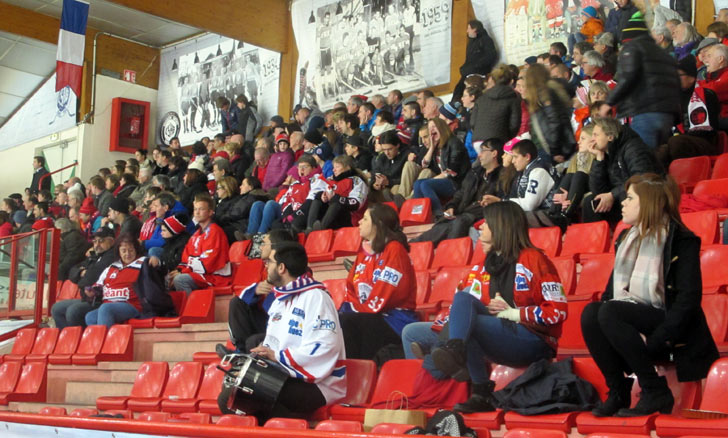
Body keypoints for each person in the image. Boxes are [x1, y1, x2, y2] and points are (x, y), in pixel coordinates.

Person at [581, 173, 718, 417]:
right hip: (633, 323)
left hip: (672, 331)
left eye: (630, 198)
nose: (622, 203)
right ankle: (618, 391)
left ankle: (654, 390)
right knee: (592, 313)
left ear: (650, 203)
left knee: (610, 311)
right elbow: (612, 293)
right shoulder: (625, 237)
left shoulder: (681, 240)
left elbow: (687, 300)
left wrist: (657, 340)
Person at [427, 201, 567, 413]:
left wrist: (513, 313)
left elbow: (558, 311)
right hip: (502, 334)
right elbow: (471, 306)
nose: (480, 227)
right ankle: (459, 355)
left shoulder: (535, 260)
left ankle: (461, 363)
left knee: (465, 327)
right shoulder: (489, 262)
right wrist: (497, 311)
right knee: (463, 301)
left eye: (487, 223)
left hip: (536, 341)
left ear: (501, 226)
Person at [219, 242, 346, 421]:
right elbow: (274, 344)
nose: (266, 266)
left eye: (269, 262)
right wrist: (263, 353)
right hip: (286, 372)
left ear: (281, 267)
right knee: (232, 393)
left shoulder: (316, 297)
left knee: (251, 394)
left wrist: (276, 356)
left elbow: (325, 347)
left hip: (320, 384)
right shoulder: (279, 301)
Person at [340, 204, 417, 360]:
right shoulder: (363, 253)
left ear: (378, 224)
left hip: (395, 320)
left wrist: (355, 310)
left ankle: (358, 375)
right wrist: (350, 308)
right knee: (338, 321)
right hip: (368, 316)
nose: (359, 222)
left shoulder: (395, 250)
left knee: (346, 321)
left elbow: (387, 294)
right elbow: (350, 288)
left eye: (365, 219)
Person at [412, 138, 506, 246]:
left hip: (480, 215)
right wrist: (452, 206)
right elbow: (460, 193)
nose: (479, 155)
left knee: (459, 222)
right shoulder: (475, 173)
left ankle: (449, 254)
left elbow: (502, 201)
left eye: (483, 151)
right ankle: (414, 245)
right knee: (444, 222)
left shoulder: (503, 176)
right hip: (463, 213)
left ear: (494, 153)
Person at [607, 12, 680, 150]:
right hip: (667, 116)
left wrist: (609, 103)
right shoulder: (664, 55)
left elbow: (627, 79)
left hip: (646, 113)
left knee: (644, 158)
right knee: (660, 157)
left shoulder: (635, 51)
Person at [218, 229, 298, 356]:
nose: (260, 247)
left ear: (274, 246)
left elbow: (281, 304)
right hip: (267, 321)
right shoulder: (266, 268)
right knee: (236, 303)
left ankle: (246, 356)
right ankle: (240, 351)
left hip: (284, 326)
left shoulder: (295, 268)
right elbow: (243, 296)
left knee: (253, 341)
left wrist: (274, 290)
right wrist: (255, 290)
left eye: (264, 243)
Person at [582, 117, 661, 224]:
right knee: (591, 201)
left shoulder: (633, 148)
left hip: (649, 196)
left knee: (625, 196)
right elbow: (598, 191)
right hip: (623, 196)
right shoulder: (606, 153)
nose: (592, 139)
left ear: (610, 136)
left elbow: (642, 178)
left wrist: (613, 195)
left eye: (596, 135)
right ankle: (598, 239)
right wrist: (599, 159)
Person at [85, 233, 170, 327]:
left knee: (106, 309)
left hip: (132, 305)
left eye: (131, 250)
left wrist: (158, 262)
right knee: (90, 317)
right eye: (124, 251)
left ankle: (107, 341)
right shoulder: (111, 267)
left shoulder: (143, 262)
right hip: (110, 305)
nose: (128, 254)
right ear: (119, 252)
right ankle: (113, 338)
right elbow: (98, 286)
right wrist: (92, 291)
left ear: (136, 250)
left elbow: (162, 273)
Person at [656, 55, 721, 168]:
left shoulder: (707, 95)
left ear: (691, 77)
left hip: (705, 142)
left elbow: (710, 128)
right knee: (659, 150)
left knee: (676, 142)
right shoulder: (675, 97)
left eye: (678, 75)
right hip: (681, 140)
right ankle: (665, 181)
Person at [53, 227, 116, 328]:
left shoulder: (111, 256)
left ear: (111, 241)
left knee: (73, 311)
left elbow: (89, 279)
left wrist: (81, 278)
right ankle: (66, 340)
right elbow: (72, 270)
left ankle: (81, 340)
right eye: (94, 241)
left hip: (101, 299)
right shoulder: (96, 256)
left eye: (101, 241)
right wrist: (81, 273)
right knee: (56, 308)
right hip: (88, 298)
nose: (97, 245)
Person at [170, 194, 232, 294]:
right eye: (195, 209)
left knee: (180, 280)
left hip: (214, 277)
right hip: (198, 274)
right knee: (167, 279)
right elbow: (186, 258)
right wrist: (179, 270)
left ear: (211, 212)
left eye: (201, 209)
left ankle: (191, 309)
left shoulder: (216, 232)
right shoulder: (195, 235)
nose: (197, 213)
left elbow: (208, 263)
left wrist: (184, 272)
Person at [412, 118, 471, 218]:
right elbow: (424, 165)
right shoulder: (438, 146)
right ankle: (418, 216)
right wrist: (431, 147)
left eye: (434, 127)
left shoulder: (454, 143)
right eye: (430, 128)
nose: (431, 130)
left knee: (425, 184)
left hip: (458, 183)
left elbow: (452, 171)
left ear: (442, 128)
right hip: (447, 180)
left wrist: (433, 179)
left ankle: (439, 215)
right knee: (418, 183)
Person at [300, 155, 368, 232]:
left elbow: (356, 203)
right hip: (331, 217)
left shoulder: (356, 181)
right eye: (333, 167)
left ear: (347, 167)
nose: (333, 170)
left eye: (337, 167)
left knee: (336, 202)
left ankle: (321, 229)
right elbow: (326, 195)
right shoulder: (331, 180)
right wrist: (324, 197)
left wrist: (337, 198)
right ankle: (309, 228)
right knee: (318, 195)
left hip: (350, 218)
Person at [524, 64, 576, 163]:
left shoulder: (544, 93)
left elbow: (555, 121)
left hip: (553, 147)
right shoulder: (548, 90)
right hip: (552, 144)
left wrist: (555, 150)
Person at [470, 64, 522, 144]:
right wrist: (507, 137)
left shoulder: (481, 98)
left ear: (493, 79)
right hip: (499, 140)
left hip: (478, 140)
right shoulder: (513, 97)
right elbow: (514, 124)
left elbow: (473, 122)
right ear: (510, 80)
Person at [453, 20, 498, 103]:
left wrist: (475, 66)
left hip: (479, 73)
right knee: (458, 90)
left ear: (475, 29)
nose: (467, 31)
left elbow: (491, 56)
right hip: (469, 72)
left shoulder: (486, 40)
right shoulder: (471, 42)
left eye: (468, 28)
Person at [56, 218, 91, 282]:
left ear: (61, 229)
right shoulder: (68, 237)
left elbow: (72, 256)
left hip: (71, 271)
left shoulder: (72, 237)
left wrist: (60, 268)